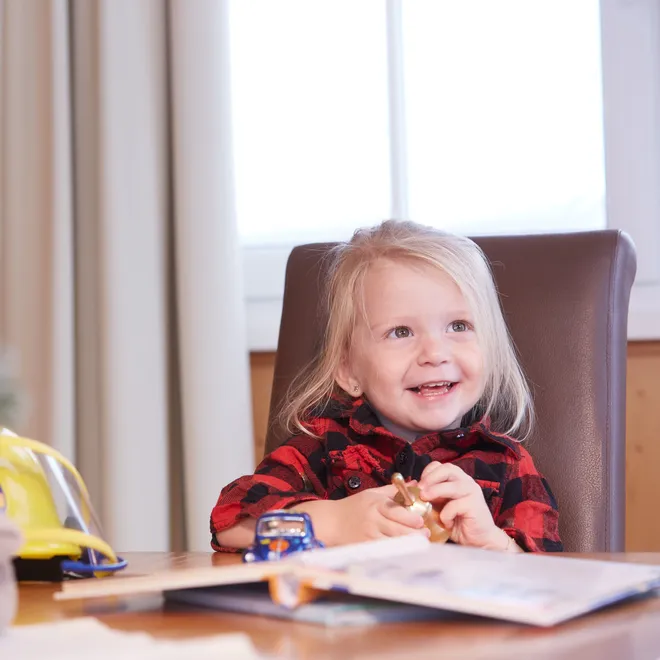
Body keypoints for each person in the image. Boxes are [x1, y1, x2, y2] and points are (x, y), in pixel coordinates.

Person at [211, 220, 562, 553]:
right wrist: (333, 522)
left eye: (458, 326)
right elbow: (230, 519)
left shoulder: (507, 464)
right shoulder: (320, 450)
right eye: (401, 332)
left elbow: (553, 574)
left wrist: (494, 542)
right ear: (348, 370)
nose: (435, 353)